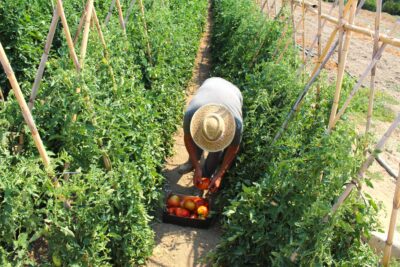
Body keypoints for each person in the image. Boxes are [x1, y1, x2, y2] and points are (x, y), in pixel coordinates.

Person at [180, 77, 243, 193]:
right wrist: (196, 165)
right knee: (198, 139)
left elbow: (233, 148)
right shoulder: (191, 113)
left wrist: (220, 174)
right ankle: (192, 163)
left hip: (233, 93)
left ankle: (206, 177)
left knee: (217, 150)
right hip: (211, 84)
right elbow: (188, 138)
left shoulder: (236, 125)